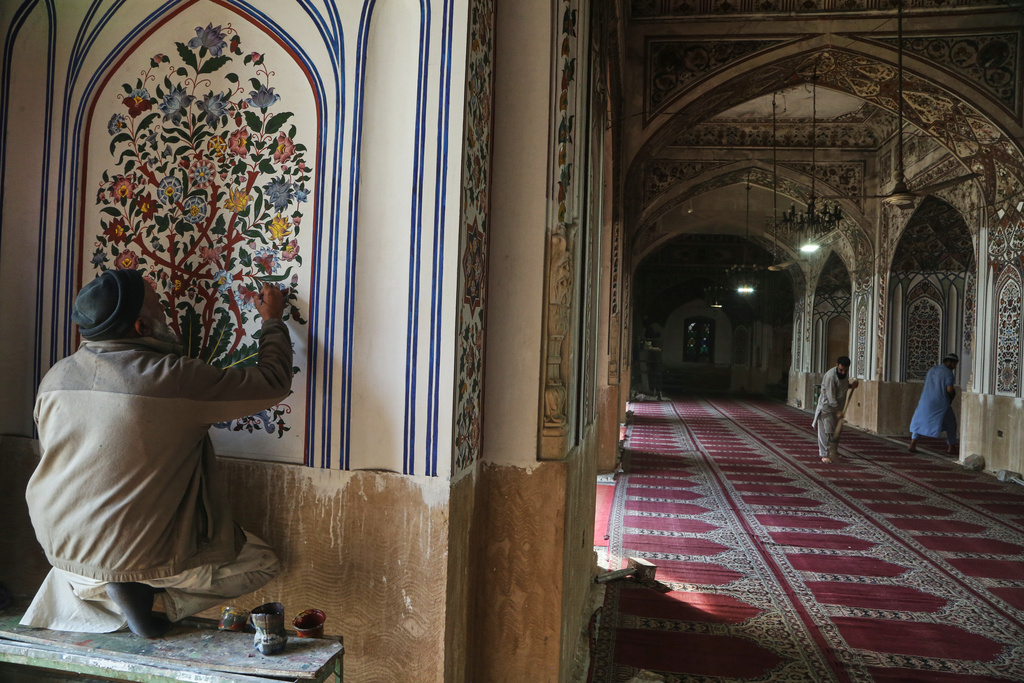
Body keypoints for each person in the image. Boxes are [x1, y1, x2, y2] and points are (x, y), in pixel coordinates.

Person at [22, 269, 293, 638]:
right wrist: (272, 321)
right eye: (161, 310)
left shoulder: (55, 378)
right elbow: (273, 382)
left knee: (107, 555)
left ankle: (107, 591)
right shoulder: (171, 377)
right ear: (141, 326)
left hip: (60, 553)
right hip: (139, 560)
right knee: (263, 562)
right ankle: (148, 599)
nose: (168, 316)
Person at [908, 352, 959, 455]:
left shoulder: (932, 370)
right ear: (949, 362)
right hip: (941, 403)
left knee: (920, 421)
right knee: (951, 424)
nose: (954, 367)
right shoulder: (948, 373)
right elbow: (949, 389)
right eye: (954, 364)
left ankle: (913, 443)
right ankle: (951, 446)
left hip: (925, 401)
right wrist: (953, 395)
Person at [812, 356, 860, 463]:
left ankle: (833, 451)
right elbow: (831, 397)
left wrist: (851, 386)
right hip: (827, 407)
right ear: (836, 365)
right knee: (826, 431)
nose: (843, 372)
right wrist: (838, 411)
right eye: (841, 370)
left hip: (838, 408)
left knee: (836, 431)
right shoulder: (830, 376)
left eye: (845, 370)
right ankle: (824, 454)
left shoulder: (844, 374)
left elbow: (842, 386)